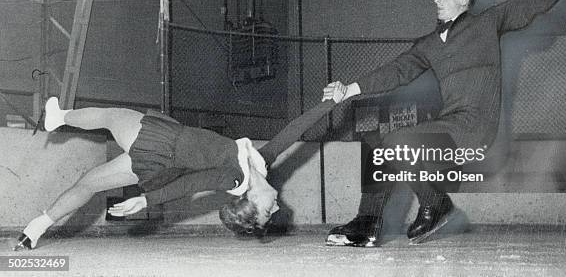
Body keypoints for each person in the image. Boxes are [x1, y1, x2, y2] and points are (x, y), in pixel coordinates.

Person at [321, 0, 566, 247]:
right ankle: (367, 224)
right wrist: (350, 88)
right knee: (379, 144)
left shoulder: (486, 24)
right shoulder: (429, 45)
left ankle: (435, 204)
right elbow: (396, 71)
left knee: (395, 141)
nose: (436, 0)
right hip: (448, 126)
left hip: (475, 130)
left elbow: (529, 2)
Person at [14, 97, 337, 250]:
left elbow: (191, 184)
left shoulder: (234, 180)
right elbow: (293, 131)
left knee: (112, 115)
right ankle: (35, 228)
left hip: (162, 144)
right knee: (89, 183)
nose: (277, 207)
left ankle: (60, 117)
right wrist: (331, 102)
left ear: (251, 200)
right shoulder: (261, 160)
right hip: (160, 160)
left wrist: (147, 200)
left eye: (268, 211)